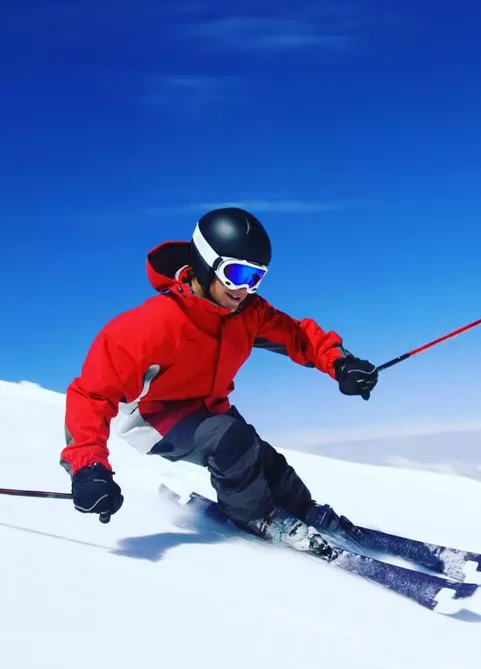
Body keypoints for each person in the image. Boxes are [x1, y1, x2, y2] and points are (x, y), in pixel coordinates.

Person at [60, 206, 378, 549]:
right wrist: (88, 468)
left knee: (262, 457)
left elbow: (297, 337)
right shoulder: (150, 326)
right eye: (237, 273)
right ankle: (258, 516)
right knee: (232, 440)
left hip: (211, 408)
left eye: (255, 278)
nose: (244, 289)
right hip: (155, 418)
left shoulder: (246, 313)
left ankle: (304, 510)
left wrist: (342, 364)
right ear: (205, 263)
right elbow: (92, 394)